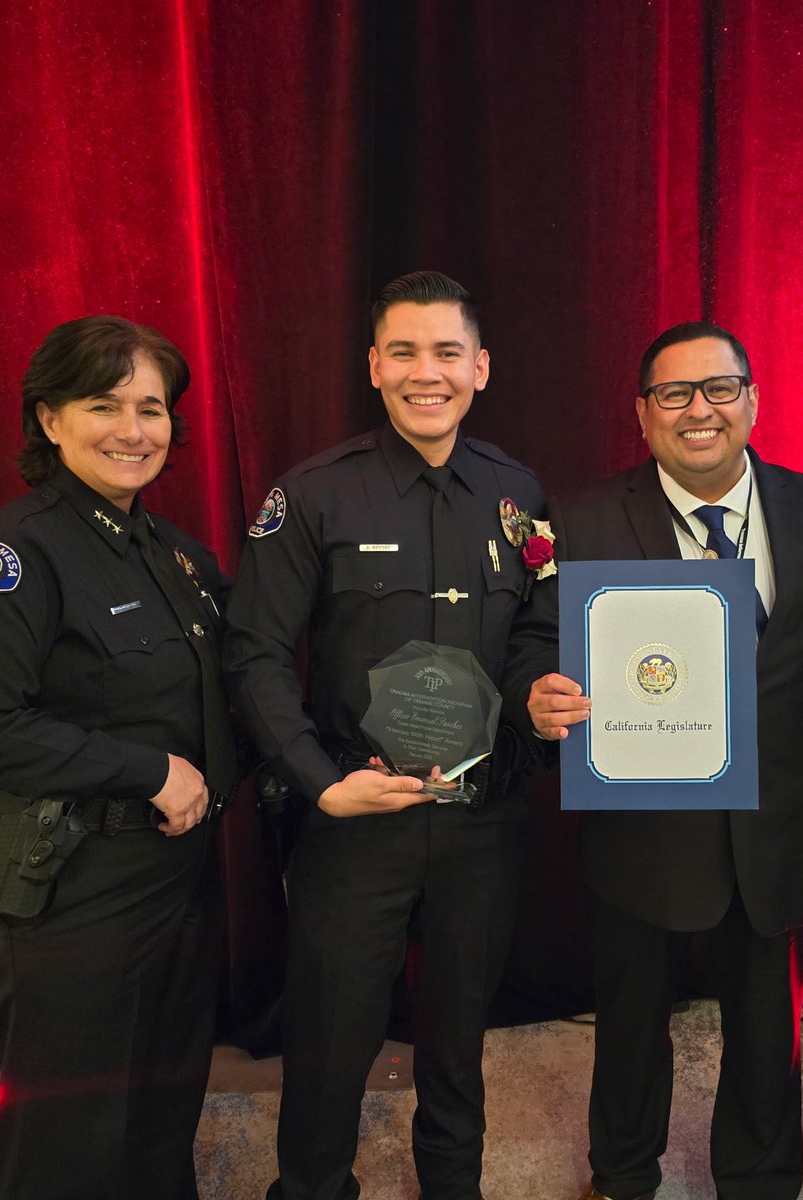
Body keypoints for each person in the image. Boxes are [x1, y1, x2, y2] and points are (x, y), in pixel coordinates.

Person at [506, 322, 803, 1200]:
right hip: (640, 820)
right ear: (642, 413)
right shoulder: (579, 519)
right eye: (674, 394)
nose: (699, 410)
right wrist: (535, 693)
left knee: (767, 1028)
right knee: (629, 1024)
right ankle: (623, 1175)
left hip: (778, 823)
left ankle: (761, 1178)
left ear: (753, 400)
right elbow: (531, 642)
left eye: (720, 388)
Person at [222, 271, 546, 1200]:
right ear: (374, 365)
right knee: (329, 1044)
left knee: (459, 1039)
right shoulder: (314, 495)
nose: (425, 372)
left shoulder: (518, 493)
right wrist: (319, 783)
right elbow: (252, 654)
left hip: (481, 822)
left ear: (479, 367)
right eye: (403, 351)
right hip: (355, 820)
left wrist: (541, 694)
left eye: (446, 352)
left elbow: (534, 633)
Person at [0, 316, 237, 1199]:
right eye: (105, 405)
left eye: (152, 407)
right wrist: (146, 771)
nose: (134, 430)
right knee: (72, 1136)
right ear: (49, 418)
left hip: (172, 876)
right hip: (63, 887)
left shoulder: (174, 555)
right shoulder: (7, 557)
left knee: (160, 1112)